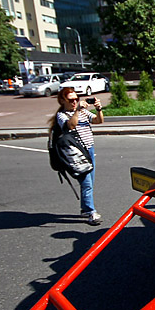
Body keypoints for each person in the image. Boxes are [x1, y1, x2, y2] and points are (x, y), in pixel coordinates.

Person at [52, 87, 104, 225]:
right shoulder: (62, 115)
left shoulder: (83, 112)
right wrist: (77, 111)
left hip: (89, 150)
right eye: (71, 100)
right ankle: (91, 212)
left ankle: (85, 209)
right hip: (76, 154)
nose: (75, 102)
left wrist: (98, 109)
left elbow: (98, 121)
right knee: (87, 183)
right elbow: (70, 126)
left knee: (89, 182)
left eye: (76, 99)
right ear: (62, 101)